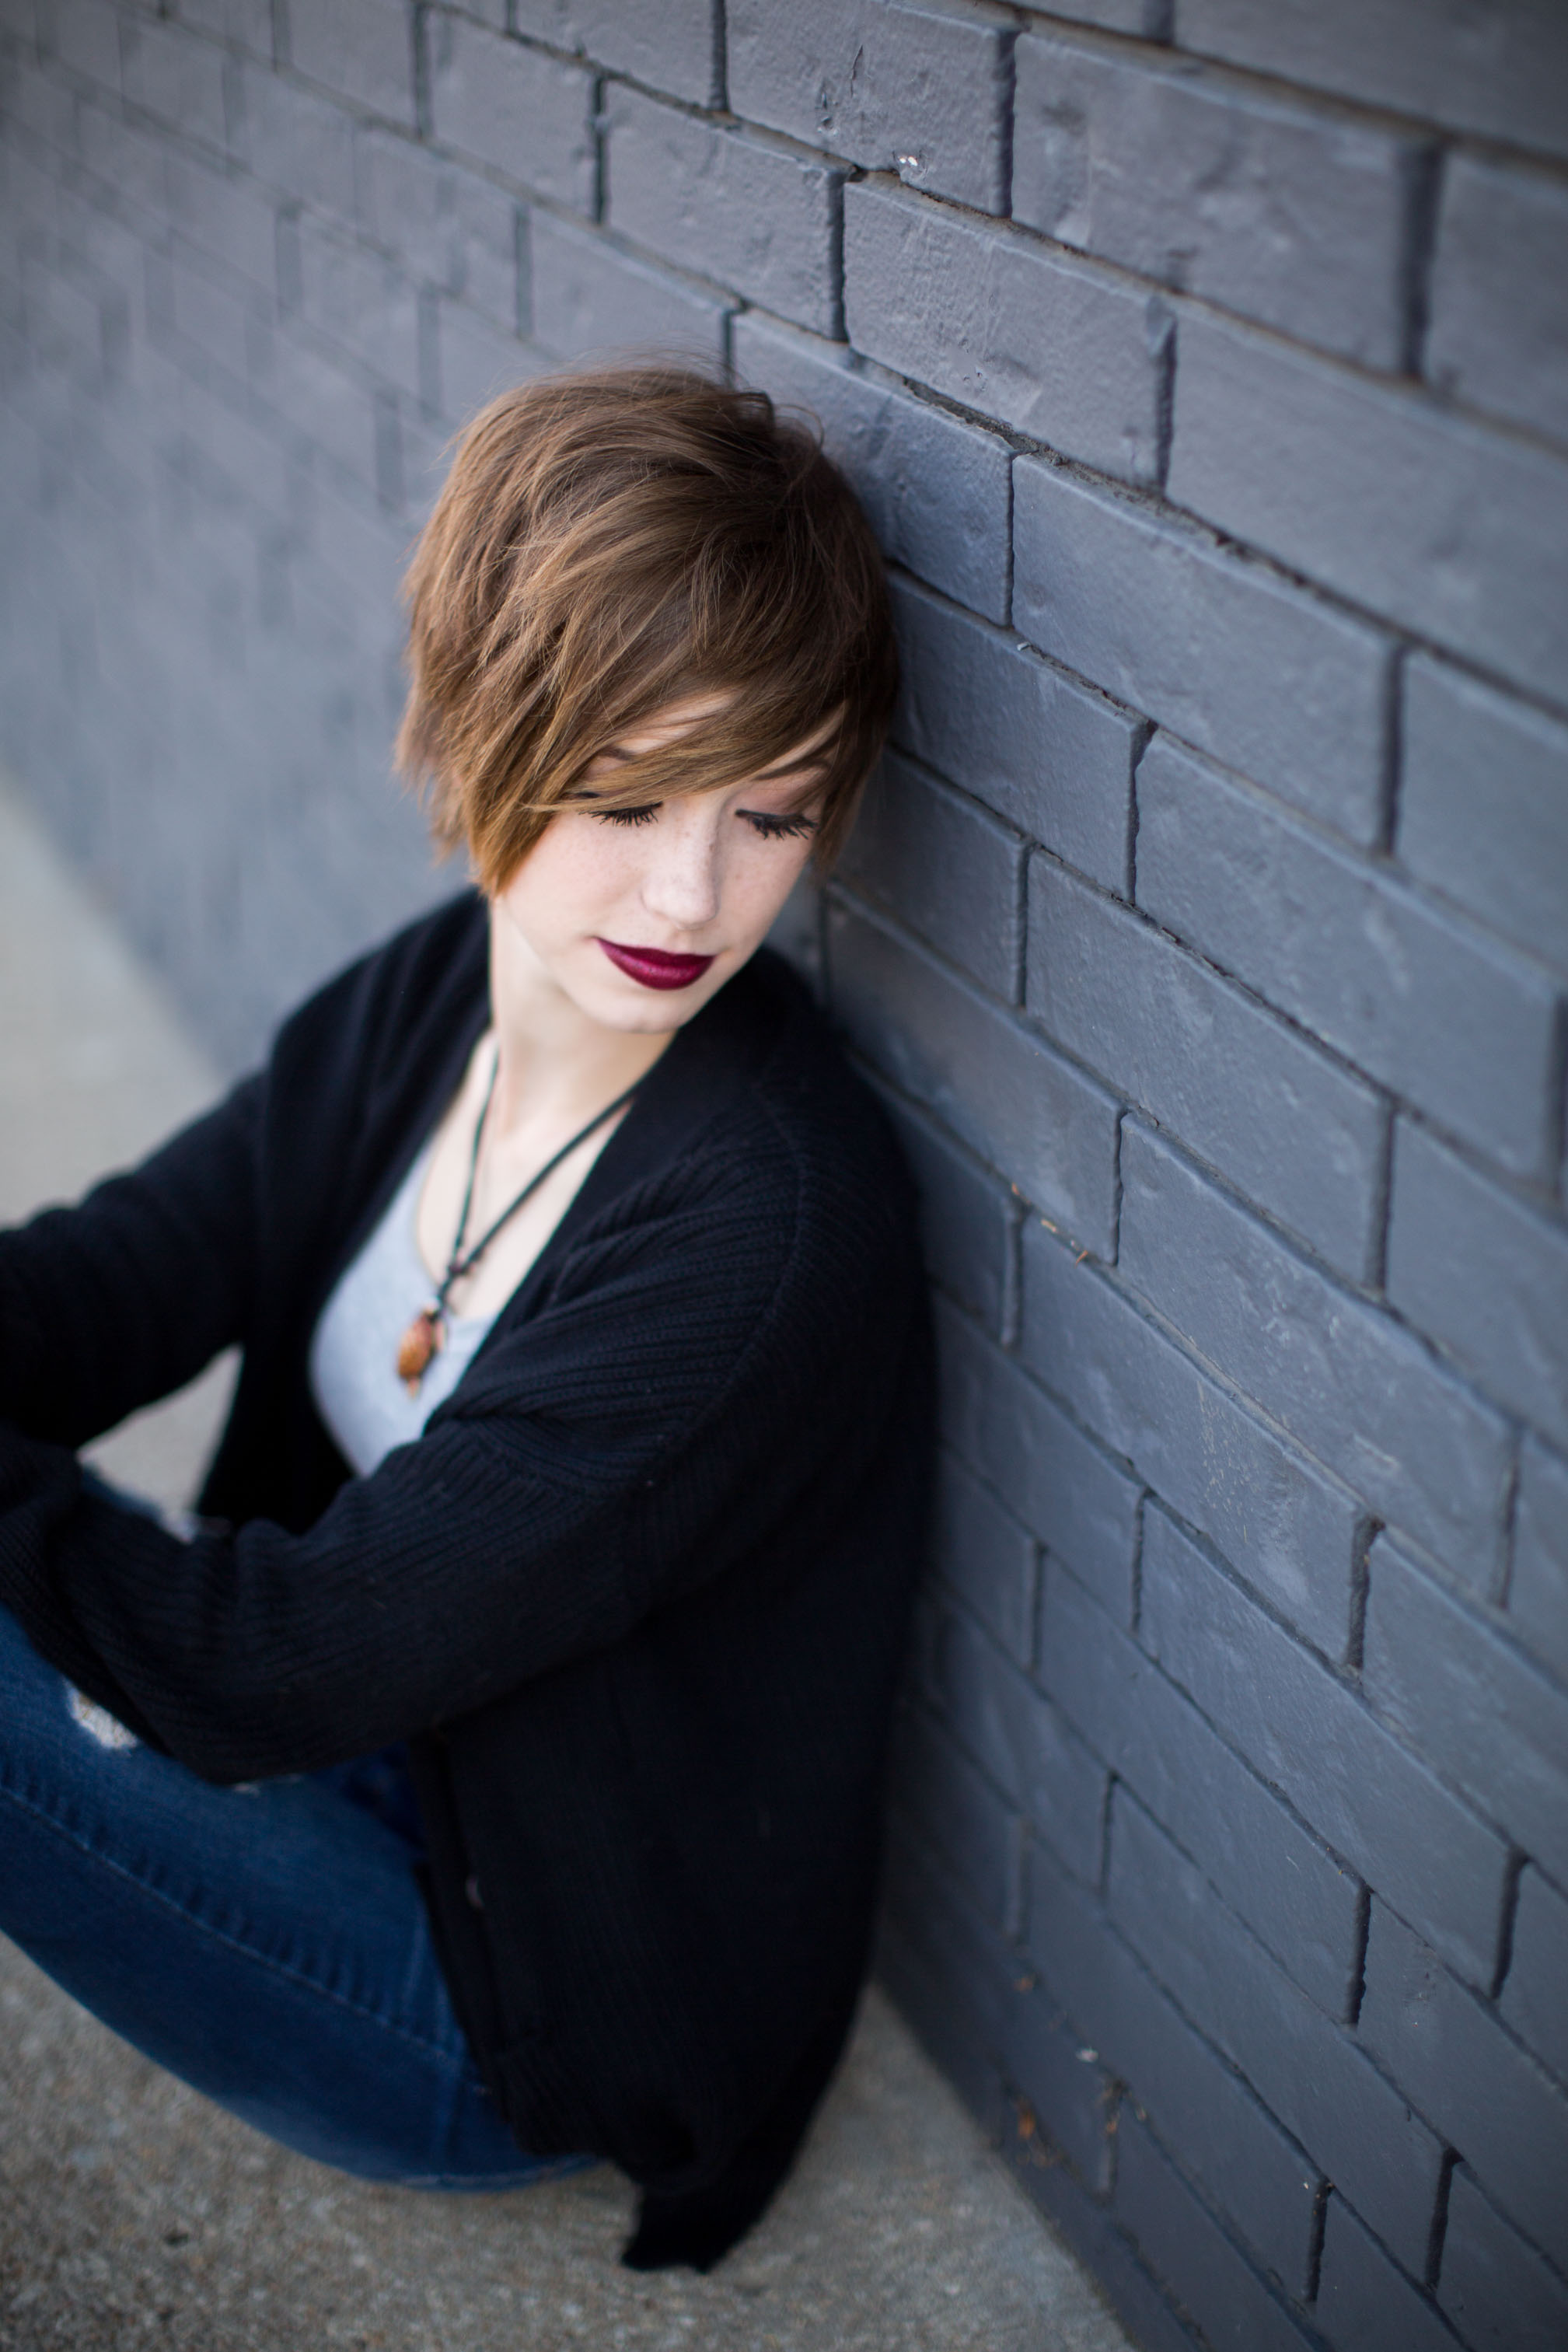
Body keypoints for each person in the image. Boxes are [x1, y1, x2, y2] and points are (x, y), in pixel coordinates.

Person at [0, 367, 932, 2271]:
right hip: (365, 1732)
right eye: (626, 793)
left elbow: (274, 1663)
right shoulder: (441, 991)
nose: (693, 890)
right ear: (479, 724)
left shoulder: (760, 1232)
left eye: (771, 810)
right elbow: (119, 1276)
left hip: (509, 1987)